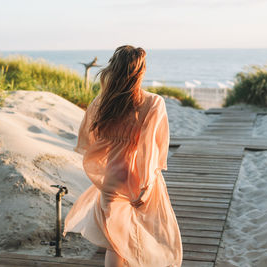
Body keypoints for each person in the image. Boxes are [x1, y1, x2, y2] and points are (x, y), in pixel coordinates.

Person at [63, 45, 182, 267]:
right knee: (132, 240)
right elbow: (150, 148)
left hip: (110, 179)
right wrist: (145, 185)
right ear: (140, 71)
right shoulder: (153, 103)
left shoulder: (103, 102)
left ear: (114, 69)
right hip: (136, 178)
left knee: (116, 242)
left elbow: (90, 141)